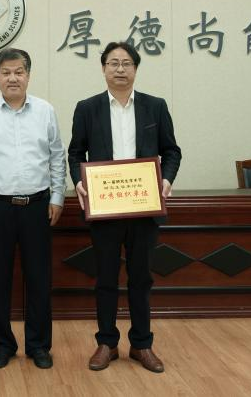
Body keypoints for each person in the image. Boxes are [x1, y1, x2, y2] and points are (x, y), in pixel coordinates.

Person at [67, 41, 181, 374]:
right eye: (113, 63)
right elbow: (75, 153)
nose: (120, 69)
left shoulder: (154, 106)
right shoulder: (87, 108)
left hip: (144, 206)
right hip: (105, 208)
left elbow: (171, 151)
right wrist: (78, 181)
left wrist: (166, 180)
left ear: (135, 69)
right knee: (105, 278)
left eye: (127, 63)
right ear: (103, 68)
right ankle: (107, 343)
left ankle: (142, 344)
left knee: (141, 278)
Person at [0, 48, 65, 370]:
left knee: (39, 279)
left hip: (38, 206)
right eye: (6, 72)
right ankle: (2, 345)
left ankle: (39, 345)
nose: (13, 78)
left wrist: (58, 197)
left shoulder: (45, 111)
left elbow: (57, 157)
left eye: (19, 72)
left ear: (28, 75)